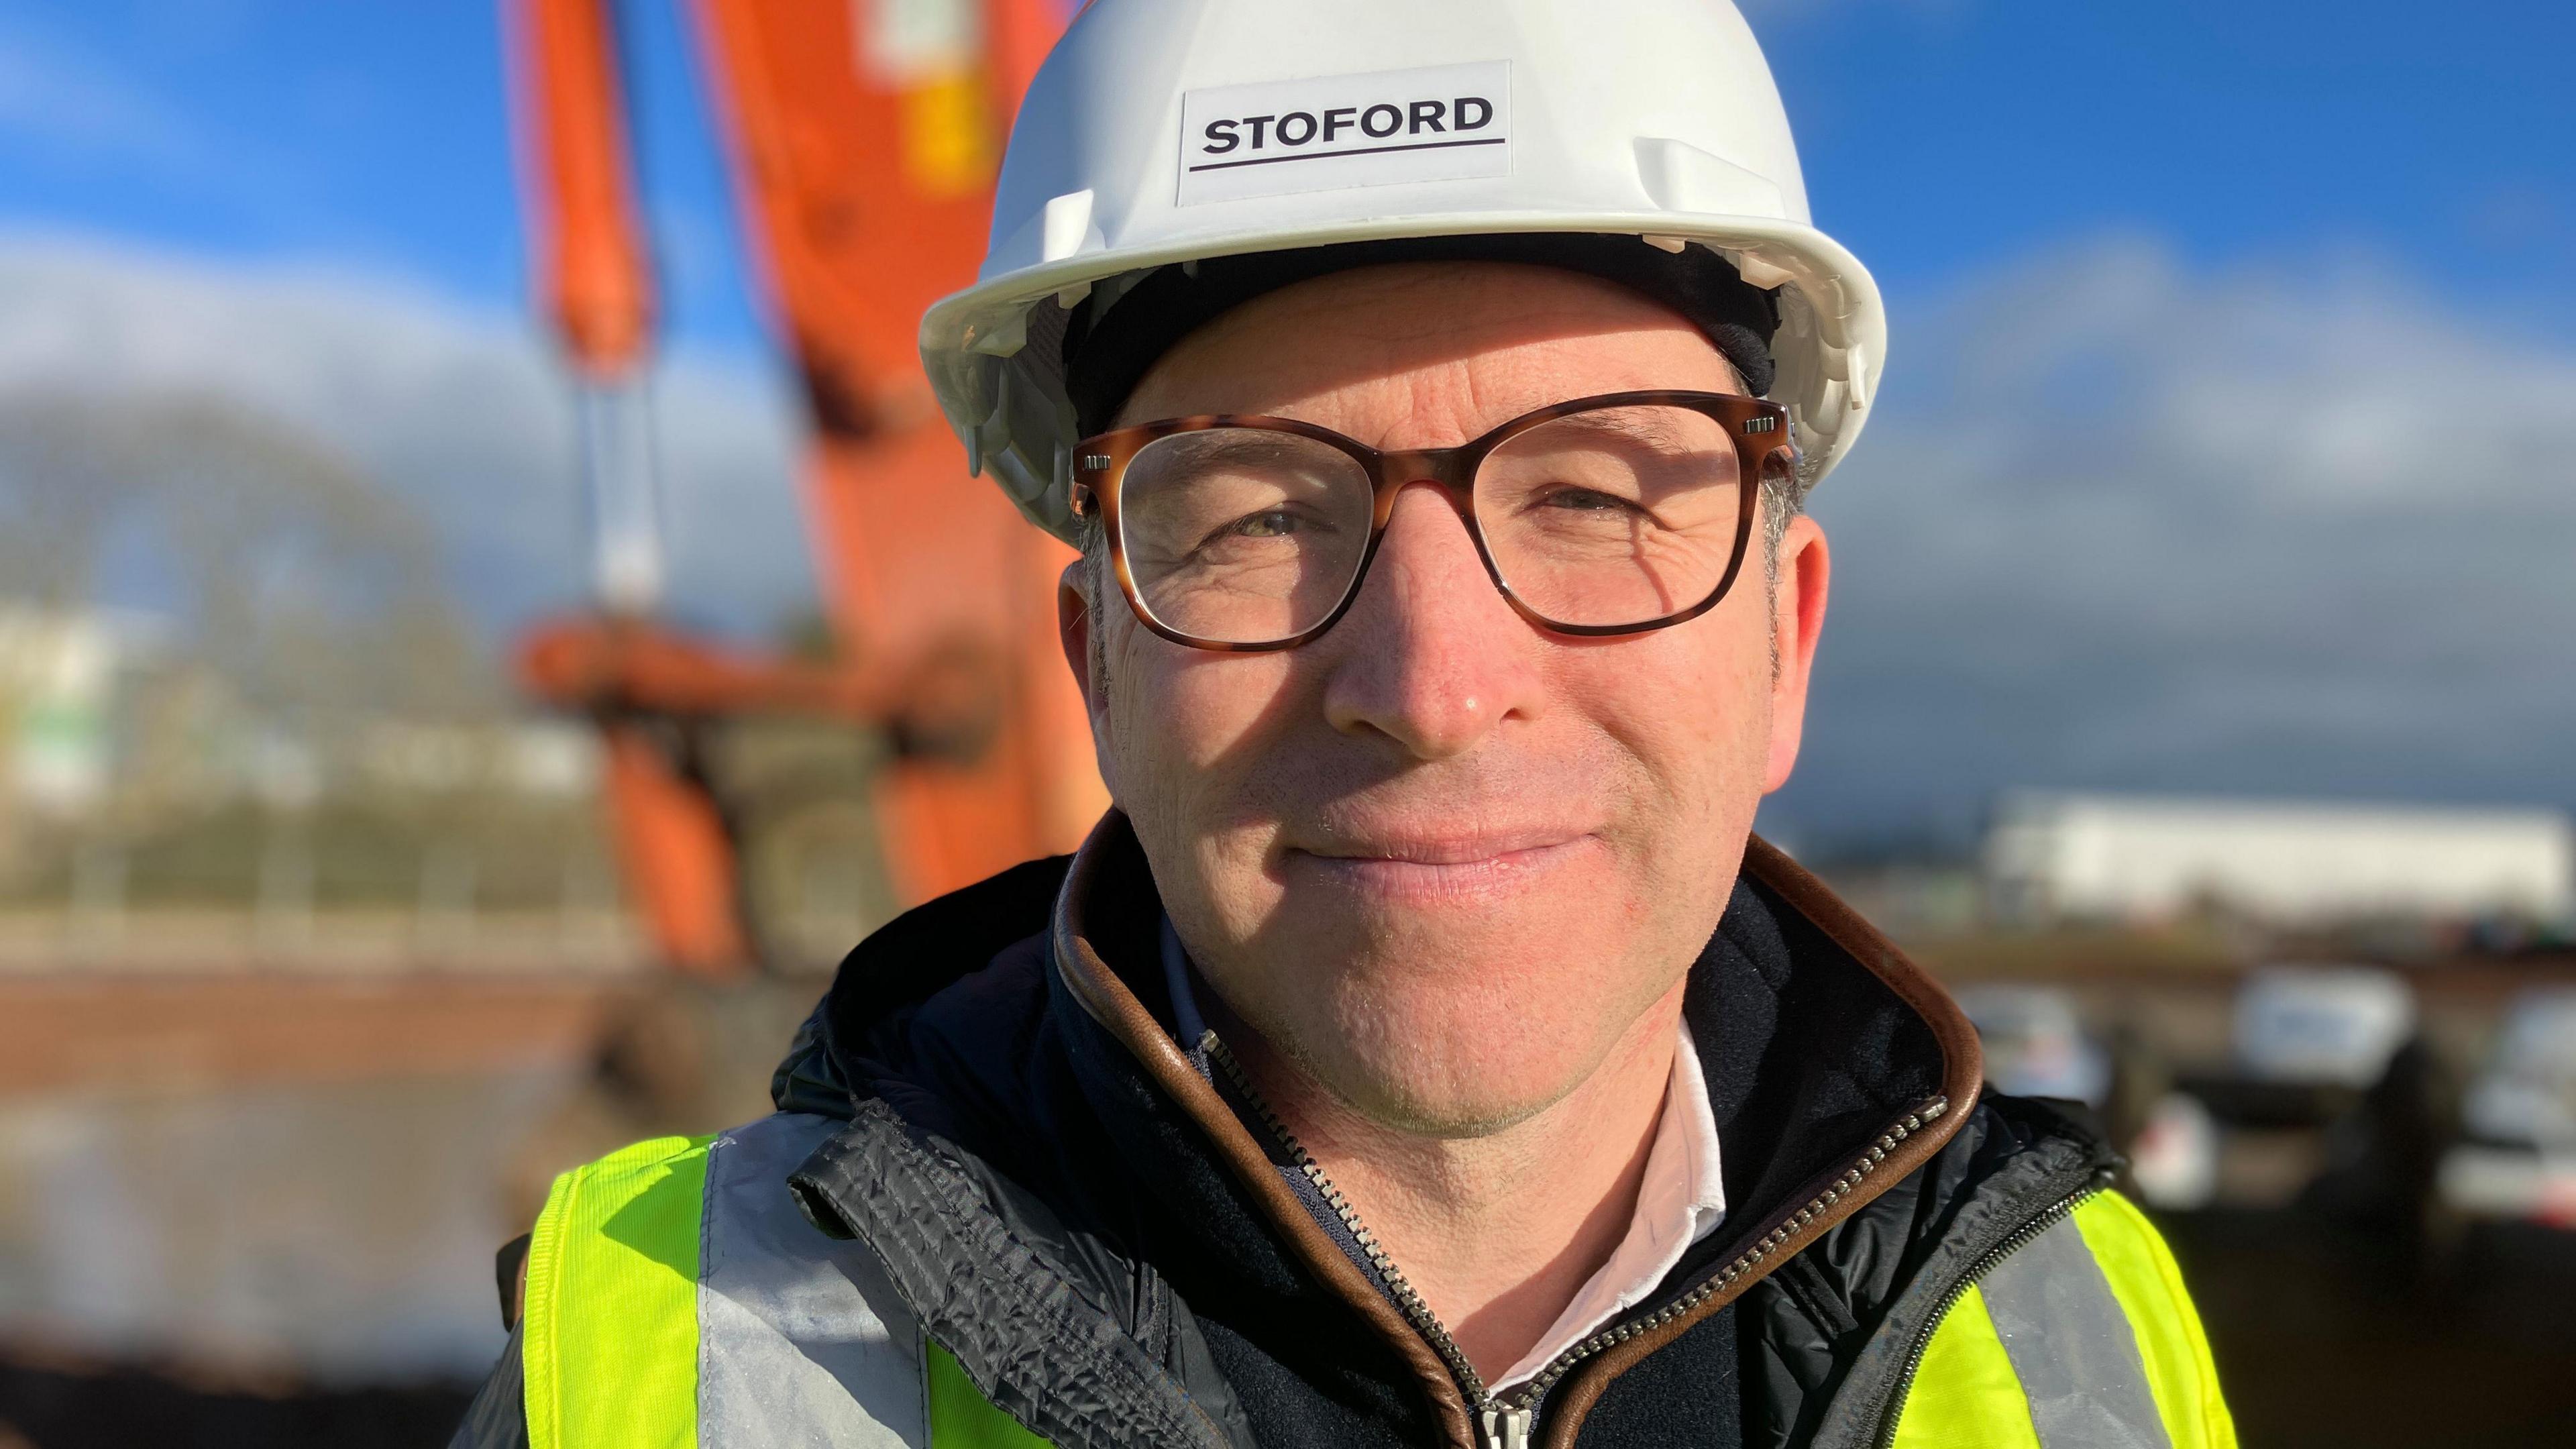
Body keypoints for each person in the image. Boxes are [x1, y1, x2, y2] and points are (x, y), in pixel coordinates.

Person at [455, 3, 2235, 1446]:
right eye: (1251, 519)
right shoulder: (683, 1360)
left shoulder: (2067, 1321)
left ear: (1786, 638)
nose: (1436, 685)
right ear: (1097, 666)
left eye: (1599, 499)